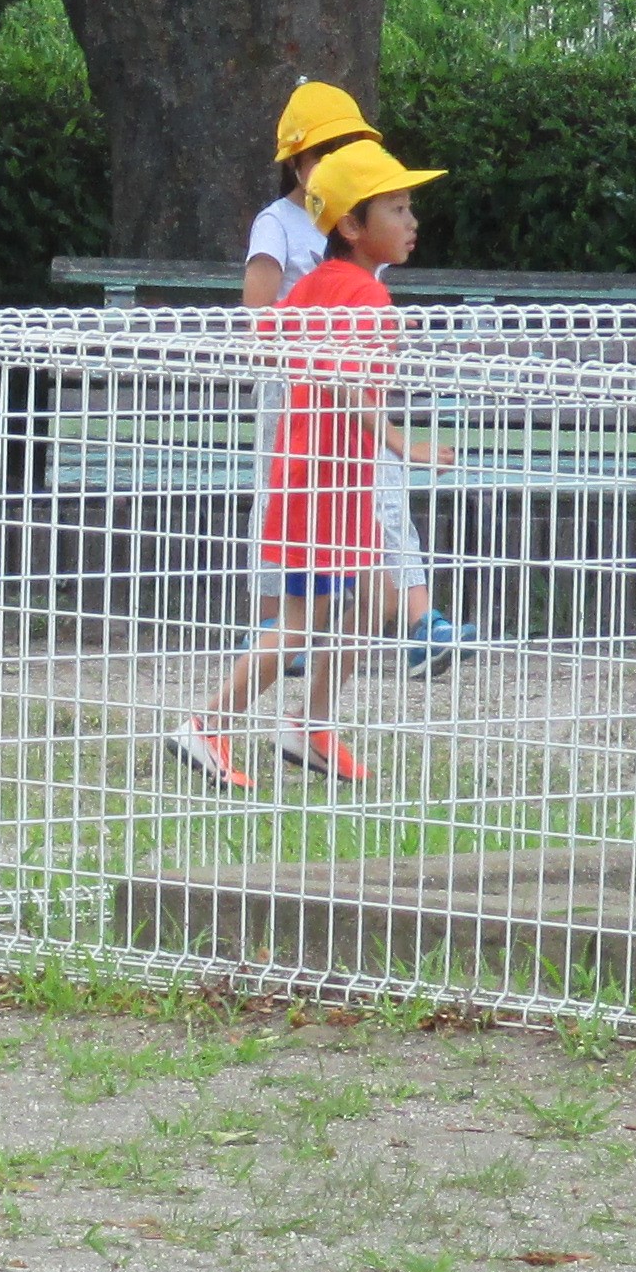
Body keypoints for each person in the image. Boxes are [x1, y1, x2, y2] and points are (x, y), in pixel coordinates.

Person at [178, 139, 443, 797]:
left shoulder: (324, 284)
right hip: (325, 482)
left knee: (377, 599)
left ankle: (311, 726)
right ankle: (208, 724)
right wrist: (399, 442)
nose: (413, 223)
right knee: (301, 620)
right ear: (353, 226)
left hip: (316, 475)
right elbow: (346, 381)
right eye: (399, 209)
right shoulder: (366, 300)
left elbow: (278, 341)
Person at [243, 79, 473, 675]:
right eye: (325, 151)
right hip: (298, 392)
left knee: (385, 500)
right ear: (296, 161)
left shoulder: (364, 247)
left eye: (351, 148)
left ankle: (422, 622)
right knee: (290, 505)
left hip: (353, 388)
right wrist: (314, 358)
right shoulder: (279, 224)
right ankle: (277, 627)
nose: (337, 162)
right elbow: (259, 322)